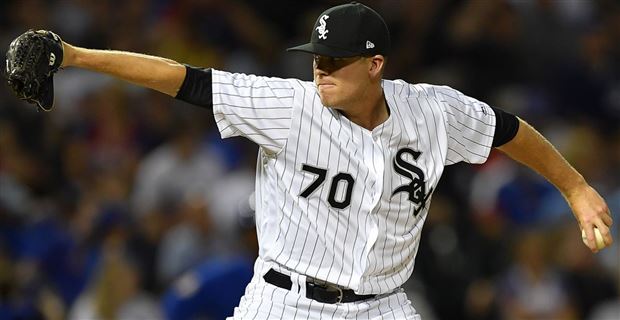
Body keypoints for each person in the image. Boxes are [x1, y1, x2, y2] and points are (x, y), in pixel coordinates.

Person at [8, 2, 614, 319]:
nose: (318, 69)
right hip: (284, 302)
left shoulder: (434, 113)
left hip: (384, 306)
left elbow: (508, 130)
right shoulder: (290, 104)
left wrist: (575, 187)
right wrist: (75, 54)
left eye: (333, 60)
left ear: (375, 65)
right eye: (315, 56)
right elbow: (183, 79)